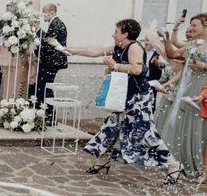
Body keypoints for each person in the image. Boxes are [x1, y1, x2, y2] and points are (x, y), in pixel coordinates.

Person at [65, 19, 183, 185]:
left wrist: (115, 65)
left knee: (145, 133)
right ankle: (103, 160)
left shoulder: (134, 47)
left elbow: (138, 69)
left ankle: (173, 165)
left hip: (138, 99)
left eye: (117, 31)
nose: (113, 34)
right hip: (124, 98)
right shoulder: (118, 47)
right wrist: (72, 51)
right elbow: (96, 51)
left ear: (125, 34)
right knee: (111, 127)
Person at [158, 13, 207, 179]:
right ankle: (177, 162)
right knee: (180, 121)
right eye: (191, 25)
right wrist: (166, 38)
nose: (191, 28)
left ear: (205, 25)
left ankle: (196, 163)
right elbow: (172, 54)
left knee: (198, 124)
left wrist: (202, 65)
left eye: (195, 25)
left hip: (204, 86)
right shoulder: (193, 44)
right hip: (188, 85)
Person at [30, 4, 67, 116]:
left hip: (52, 61)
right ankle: (47, 113)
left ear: (52, 12)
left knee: (44, 86)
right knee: (45, 86)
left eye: (44, 12)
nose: (43, 14)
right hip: (51, 60)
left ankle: (48, 113)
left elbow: (50, 44)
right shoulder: (55, 23)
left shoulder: (56, 24)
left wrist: (37, 50)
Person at [143, 40, 163, 110]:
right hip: (142, 78)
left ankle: (151, 112)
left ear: (152, 43)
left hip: (153, 80)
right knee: (142, 97)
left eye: (148, 40)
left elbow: (163, 66)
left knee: (151, 98)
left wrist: (158, 63)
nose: (146, 43)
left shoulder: (158, 54)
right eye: (146, 40)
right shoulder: (141, 53)